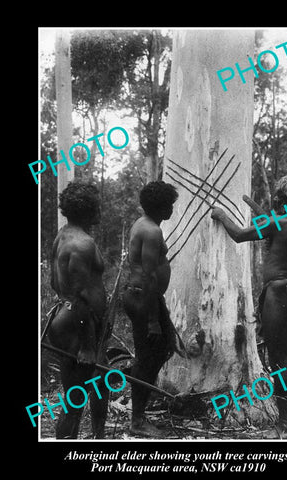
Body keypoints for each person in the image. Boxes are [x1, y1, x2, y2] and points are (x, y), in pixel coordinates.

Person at [211, 174, 287, 437]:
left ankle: (285, 424)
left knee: (278, 361)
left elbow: (239, 235)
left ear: (283, 200)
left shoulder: (280, 221)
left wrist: (221, 215)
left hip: (278, 294)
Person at [123, 180, 185, 438]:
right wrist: (152, 321)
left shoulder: (145, 224)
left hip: (146, 298)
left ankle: (139, 404)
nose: (172, 208)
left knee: (160, 351)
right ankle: (137, 420)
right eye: (169, 204)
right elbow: (148, 275)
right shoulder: (151, 231)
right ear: (161, 207)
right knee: (148, 356)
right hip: (143, 299)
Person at [47, 182, 109, 439]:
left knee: (101, 380)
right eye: (96, 208)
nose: (99, 212)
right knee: (74, 402)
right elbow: (82, 297)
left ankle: (98, 435)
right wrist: (87, 344)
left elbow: (54, 282)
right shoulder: (82, 245)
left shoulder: (63, 235)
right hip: (79, 325)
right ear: (87, 211)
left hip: (67, 316)